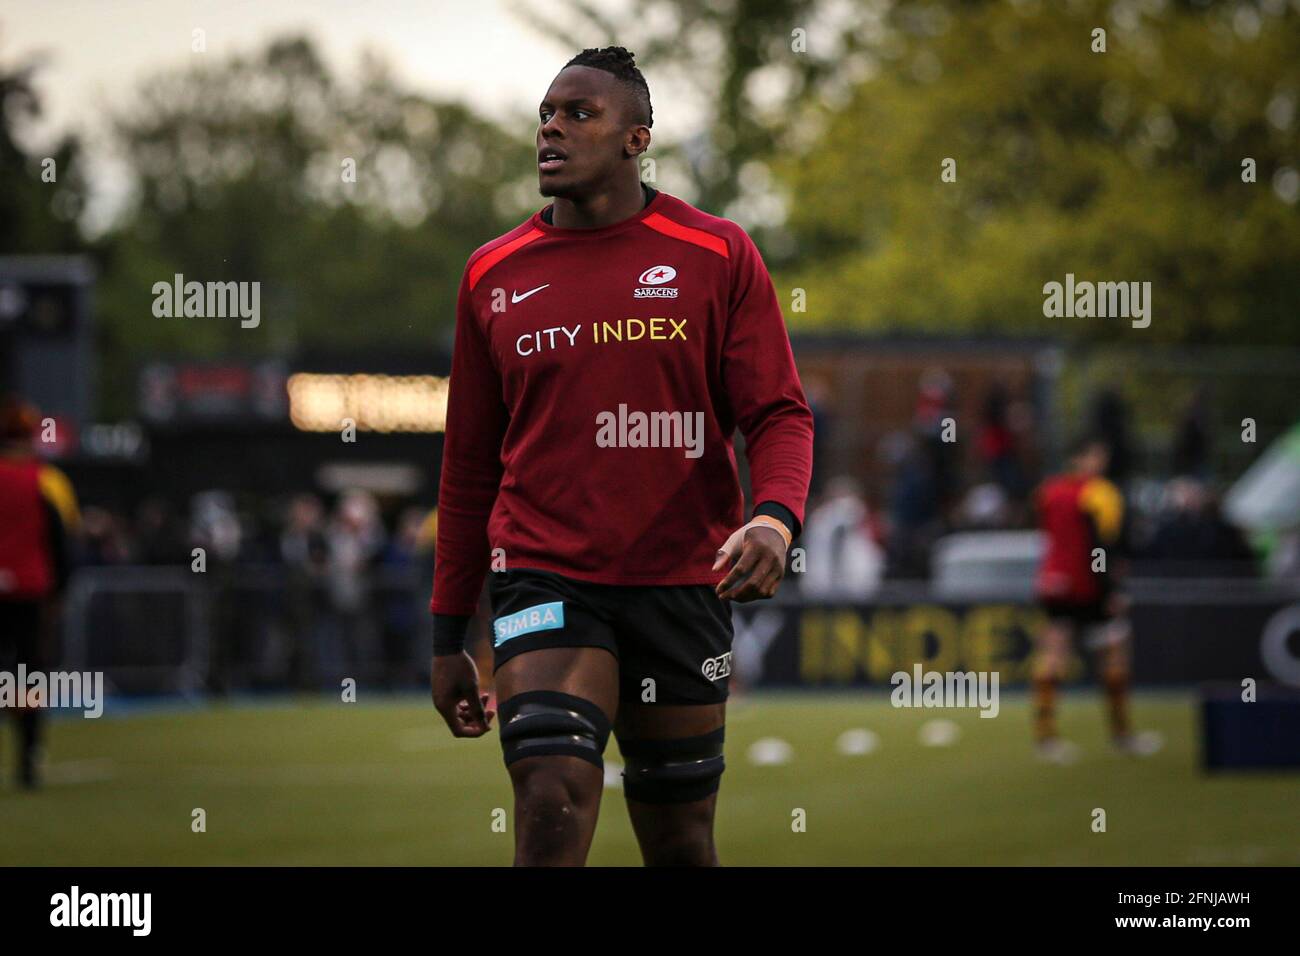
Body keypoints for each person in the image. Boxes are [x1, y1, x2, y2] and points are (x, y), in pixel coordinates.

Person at [428, 46, 813, 866]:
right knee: (551, 803)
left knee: (679, 839)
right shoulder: (491, 274)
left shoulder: (718, 254)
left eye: (578, 114)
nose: (551, 129)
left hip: (683, 578)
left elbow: (778, 413)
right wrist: (446, 634)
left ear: (637, 138)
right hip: (543, 569)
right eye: (545, 114)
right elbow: (467, 469)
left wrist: (776, 520)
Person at [1031, 434, 1158, 763]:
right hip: (1087, 585)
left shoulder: (1049, 491)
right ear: (1083, 458)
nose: (1101, 462)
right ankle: (1121, 734)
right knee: (1115, 654)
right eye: (1097, 456)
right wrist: (1111, 591)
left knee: (1054, 651)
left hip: (1052, 581)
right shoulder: (1100, 493)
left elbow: (1049, 535)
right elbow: (1100, 545)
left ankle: (1046, 738)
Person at [0, 397, 80, 788]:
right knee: (28, 677)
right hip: (31, 591)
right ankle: (29, 757)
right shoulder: (46, 481)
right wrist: (60, 591)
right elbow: (61, 542)